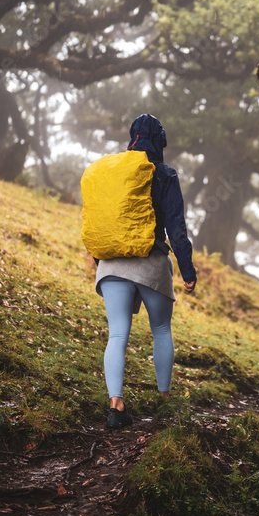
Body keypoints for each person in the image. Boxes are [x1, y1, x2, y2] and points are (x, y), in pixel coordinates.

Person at [95, 114, 197, 429]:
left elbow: (99, 218)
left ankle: (116, 405)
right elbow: (176, 229)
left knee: (117, 334)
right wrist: (187, 269)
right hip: (150, 263)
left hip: (111, 263)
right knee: (161, 330)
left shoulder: (110, 172)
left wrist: (99, 259)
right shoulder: (165, 174)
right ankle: (165, 400)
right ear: (160, 140)